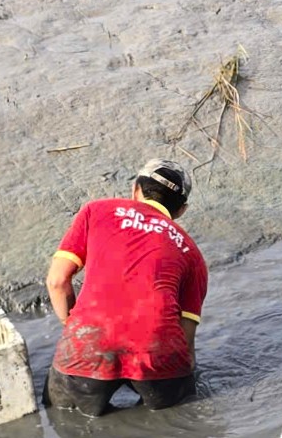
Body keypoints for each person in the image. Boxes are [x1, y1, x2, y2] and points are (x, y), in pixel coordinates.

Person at [45, 157, 207, 415]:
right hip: (157, 356)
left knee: (65, 417)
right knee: (175, 413)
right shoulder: (191, 253)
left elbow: (57, 281)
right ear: (181, 211)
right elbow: (186, 339)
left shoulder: (96, 211)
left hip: (88, 346)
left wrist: (78, 329)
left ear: (135, 190)